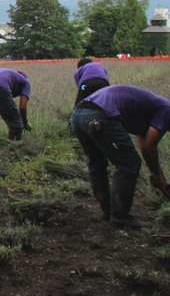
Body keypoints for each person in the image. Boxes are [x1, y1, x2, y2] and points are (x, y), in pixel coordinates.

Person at [70, 85, 170, 228]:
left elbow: (144, 146)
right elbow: (149, 146)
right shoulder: (167, 110)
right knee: (129, 164)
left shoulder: (154, 109)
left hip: (78, 114)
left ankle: (108, 212)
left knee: (97, 163)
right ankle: (120, 216)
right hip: (100, 114)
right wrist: (157, 175)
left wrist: (163, 182)